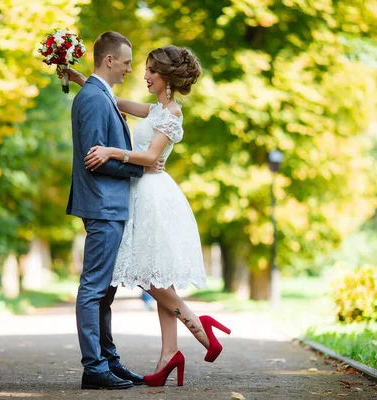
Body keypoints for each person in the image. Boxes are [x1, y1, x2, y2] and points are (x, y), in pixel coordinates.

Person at [65, 45, 231, 388]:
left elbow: (151, 155)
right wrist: (85, 80)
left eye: (151, 71)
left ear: (166, 78)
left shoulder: (171, 114)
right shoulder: (156, 109)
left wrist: (112, 151)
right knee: (158, 275)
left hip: (153, 196)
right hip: (139, 192)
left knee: (151, 278)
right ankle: (169, 353)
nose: (144, 76)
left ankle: (199, 326)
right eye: (143, 69)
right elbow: (116, 103)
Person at [65, 31, 164, 391]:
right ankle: (94, 367)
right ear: (109, 60)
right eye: (125, 62)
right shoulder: (93, 98)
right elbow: (95, 158)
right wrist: (141, 167)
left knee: (104, 291)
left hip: (111, 205)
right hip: (103, 205)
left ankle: (109, 361)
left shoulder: (98, 93)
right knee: (93, 289)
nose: (129, 68)